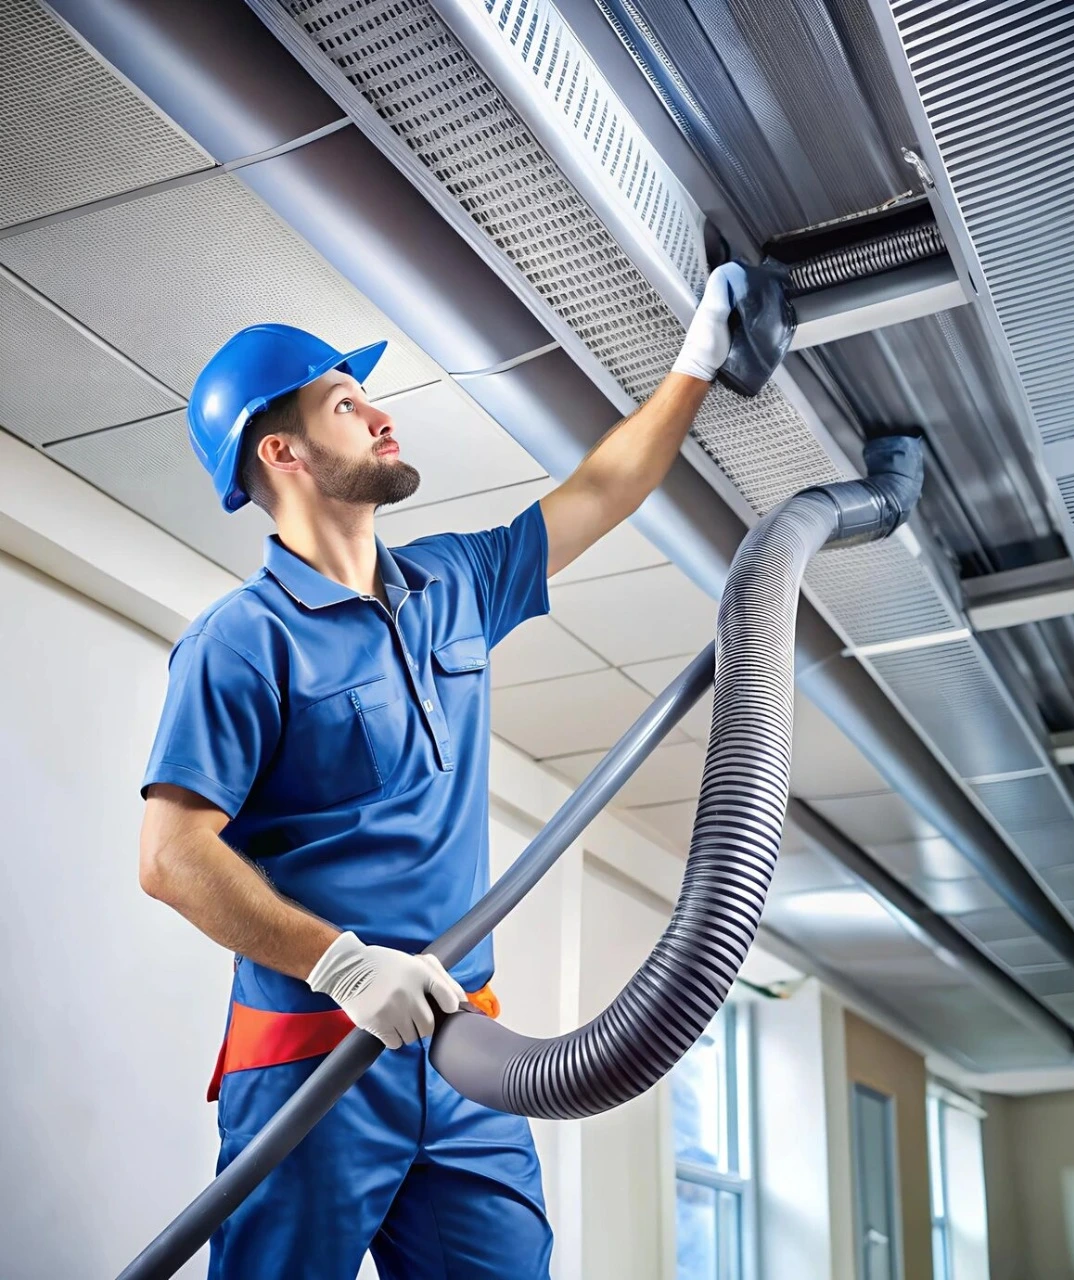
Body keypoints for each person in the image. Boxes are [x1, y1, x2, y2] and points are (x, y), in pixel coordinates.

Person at [136, 263, 747, 1279]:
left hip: (463, 1052)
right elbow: (170, 855)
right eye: (346, 402)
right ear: (280, 451)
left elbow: (600, 489)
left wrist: (698, 361)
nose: (379, 415)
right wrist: (343, 961)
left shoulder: (450, 584)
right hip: (308, 1061)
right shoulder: (240, 641)